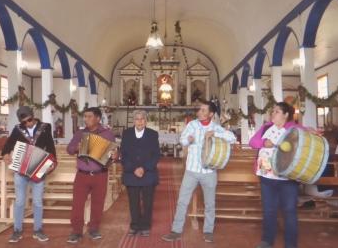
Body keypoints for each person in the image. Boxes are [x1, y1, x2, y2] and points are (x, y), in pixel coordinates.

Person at [162, 101, 236, 243]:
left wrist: (215, 133)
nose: (199, 112)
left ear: (211, 114)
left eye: (203, 110)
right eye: (200, 109)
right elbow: (182, 140)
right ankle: (176, 230)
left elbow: (232, 138)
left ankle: (208, 231)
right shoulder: (192, 125)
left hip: (209, 172)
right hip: (191, 170)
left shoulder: (216, 127)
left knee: (210, 203)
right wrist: (187, 140)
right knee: (182, 201)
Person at [249, 102, 306, 248]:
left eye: (276, 111)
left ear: (286, 115)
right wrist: (264, 142)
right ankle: (267, 240)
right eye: (272, 111)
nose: (272, 113)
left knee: (289, 210)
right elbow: (252, 142)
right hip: (266, 176)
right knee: (269, 209)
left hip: (287, 177)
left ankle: (291, 244)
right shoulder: (267, 127)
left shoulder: (294, 128)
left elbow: (307, 139)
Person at [1, 106, 57, 243]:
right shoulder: (17, 129)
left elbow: (50, 148)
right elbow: (7, 145)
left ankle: (38, 230)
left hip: (38, 169)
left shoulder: (45, 127)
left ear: (33, 115)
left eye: (30, 120)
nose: (28, 123)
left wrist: (52, 164)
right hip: (21, 169)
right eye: (24, 122)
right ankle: (17, 230)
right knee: (20, 201)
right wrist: (6, 154)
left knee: (37, 202)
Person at [66, 107, 119, 243]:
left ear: (98, 118)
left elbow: (114, 155)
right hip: (82, 175)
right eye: (85, 116)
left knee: (98, 203)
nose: (86, 119)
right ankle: (76, 231)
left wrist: (115, 155)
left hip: (100, 174)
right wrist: (76, 148)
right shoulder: (80, 133)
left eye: (89, 117)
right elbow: (69, 149)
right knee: (77, 204)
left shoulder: (107, 134)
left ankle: (94, 229)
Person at [120, 110, 160, 237]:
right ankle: (135, 225)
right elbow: (123, 155)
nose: (140, 121)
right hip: (131, 173)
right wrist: (133, 169)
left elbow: (156, 155)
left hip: (148, 173)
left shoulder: (153, 134)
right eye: (137, 119)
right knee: (133, 202)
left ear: (146, 121)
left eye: (142, 119)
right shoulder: (126, 134)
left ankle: (145, 225)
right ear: (133, 121)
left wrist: (144, 168)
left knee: (148, 202)